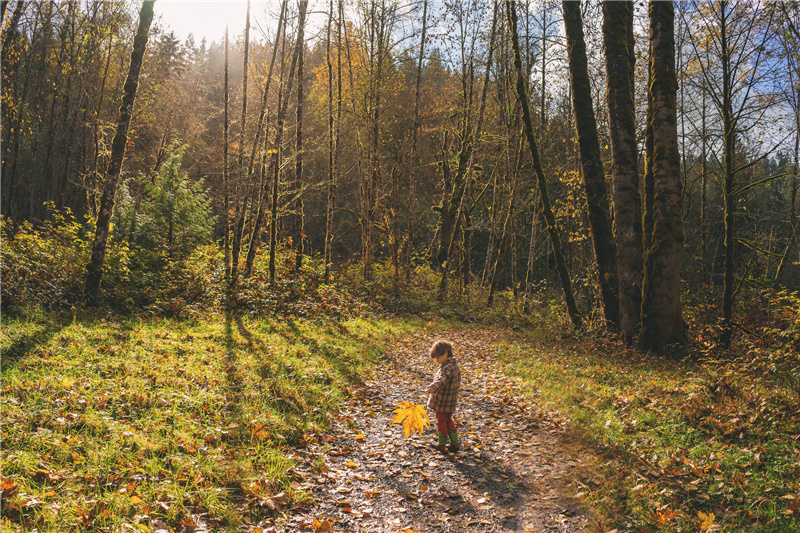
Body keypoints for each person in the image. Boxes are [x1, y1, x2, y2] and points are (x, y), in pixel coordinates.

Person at [426, 339, 461, 453]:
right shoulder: (453, 365)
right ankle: (454, 443)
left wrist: (433, 388)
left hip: (443, 402)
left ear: (445, 353)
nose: (437, 361)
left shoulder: (447, 368)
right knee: (448, 419)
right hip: (450, 402)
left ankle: (441, 444)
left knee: (441, 421)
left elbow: (442, 379)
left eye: (437, 357)